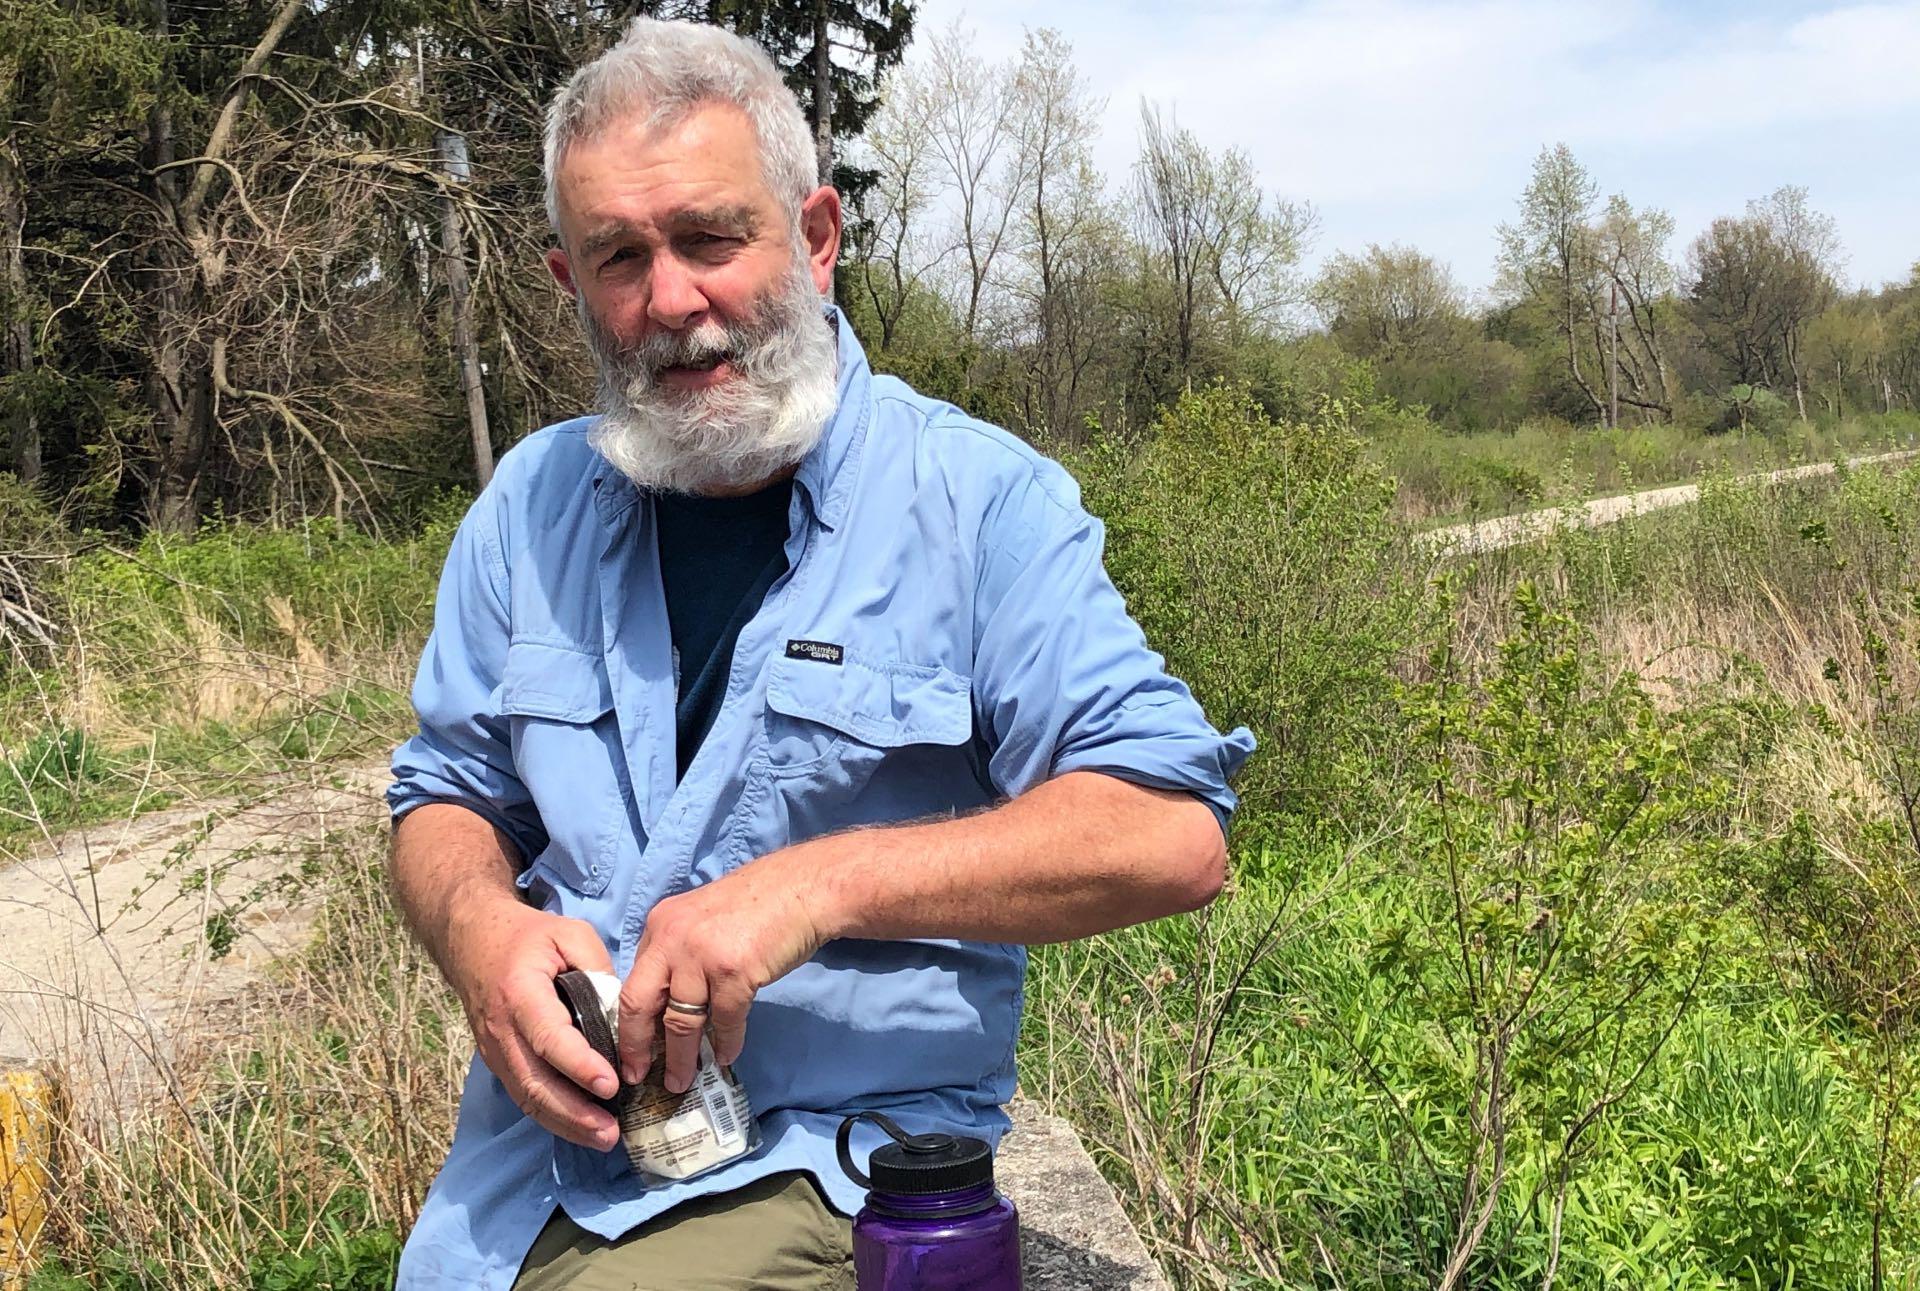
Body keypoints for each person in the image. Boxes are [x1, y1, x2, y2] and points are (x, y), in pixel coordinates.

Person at [385, 16, 1253, 1290]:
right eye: (619, 256)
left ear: (816, 238)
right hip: (519, 1179)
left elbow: (1172, 832)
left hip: (827, 1163)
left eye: (710, 238)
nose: (670, 301)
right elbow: (446, 792)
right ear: (570, 284)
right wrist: (474, 929)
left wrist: (811, 889)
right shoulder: (527, 506)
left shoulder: (979, 501)